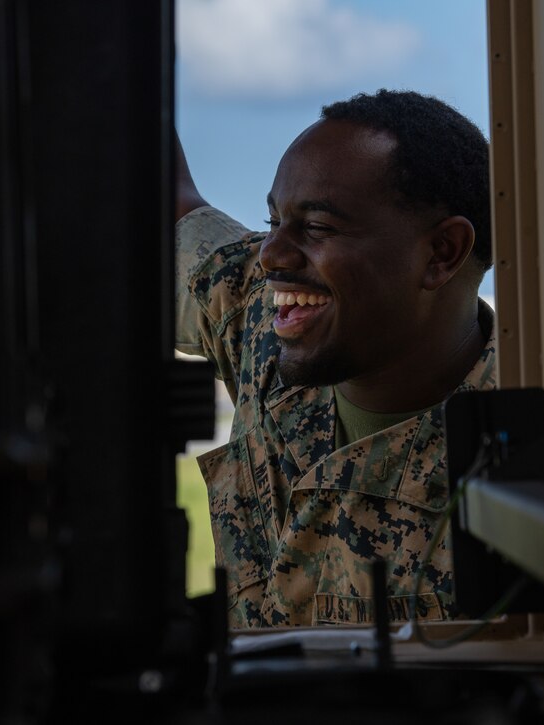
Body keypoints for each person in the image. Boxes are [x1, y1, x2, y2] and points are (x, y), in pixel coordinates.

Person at [175, 89, 494, 628]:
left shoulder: (510, 461)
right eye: (273, 220)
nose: (272, 255)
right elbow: (164, 204)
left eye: (317, 228)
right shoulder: (264, 314)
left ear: (441, 253)